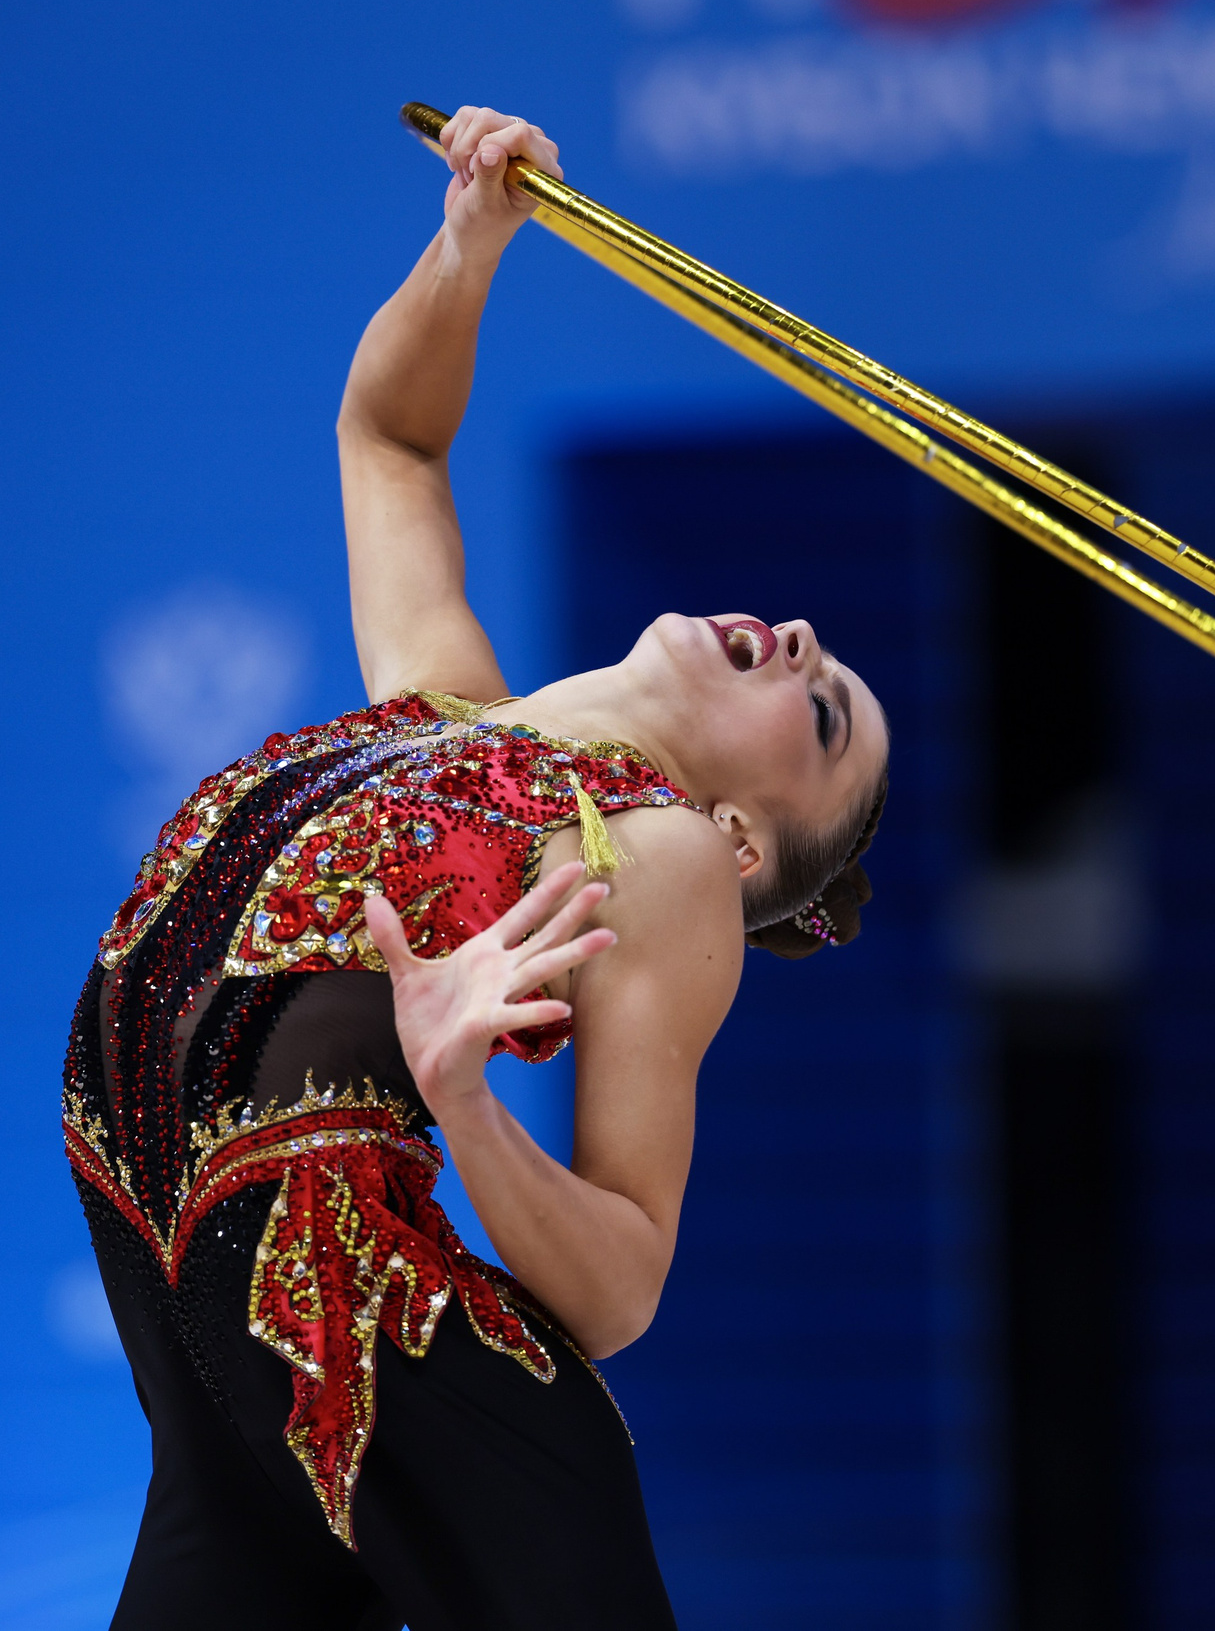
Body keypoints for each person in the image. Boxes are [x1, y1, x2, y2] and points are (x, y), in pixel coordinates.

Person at [63, 105, 890, 1630]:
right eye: (821, 652)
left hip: (352, 1299)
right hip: (193, 1290)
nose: (802, 639)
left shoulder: (657, 851)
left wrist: (465, 1103)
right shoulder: (443, 705)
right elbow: (390, 438)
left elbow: (621, 1282)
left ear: (747, 838)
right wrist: (470, 245)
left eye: (824, 712)